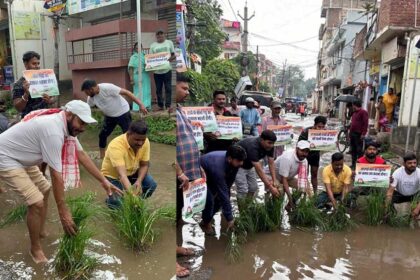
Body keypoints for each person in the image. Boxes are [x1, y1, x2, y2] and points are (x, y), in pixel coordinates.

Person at [0, 100, 122, 264]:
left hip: (23, 157)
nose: (83, 128)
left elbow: (82, 156)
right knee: (36, 202)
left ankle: (40, 231)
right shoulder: (53, 131)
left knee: (45, 188)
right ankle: (35, 249)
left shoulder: (67, 127)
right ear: (70, 115)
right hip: (6, 156)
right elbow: (56, 175)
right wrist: (63, 212)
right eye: (81, 122)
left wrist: (104, 181)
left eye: (86, 124)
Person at [175, 74, 202, 278]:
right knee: (172, 215)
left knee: (181, 213)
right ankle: (172, 262)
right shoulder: (169, 111)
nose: (187, 92)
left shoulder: (179, 109)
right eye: (184, 88)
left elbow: (189, 138)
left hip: (189, 172)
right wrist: (179, 172)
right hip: (179, 175)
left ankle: (176, 247)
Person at [81, 79, 147, 158]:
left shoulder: (107, 88)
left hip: (123, 113)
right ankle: (102, 156)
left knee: (128, 136)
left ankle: (132, 155)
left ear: (91, 89)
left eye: (86, 92)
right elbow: (87, 109)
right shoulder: (91, 98)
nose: (86, 94)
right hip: (110, 116)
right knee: (102, 135)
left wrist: (141, 104)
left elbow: (127, 92)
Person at [101, 120, 157, 208]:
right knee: (118, 204)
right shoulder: (116, 145)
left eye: (143, 140)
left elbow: (144, 165)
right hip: (114, 176)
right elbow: (122, 175)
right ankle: (110, 201)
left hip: (132, 172)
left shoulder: (145, 142)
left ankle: (135, 204)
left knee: (151, 185)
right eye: (137, 139)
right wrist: (132, 194)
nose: (140, 143)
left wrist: (139, 181)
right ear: (128, 134)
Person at [199, 145, 247, 235]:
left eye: (242, 160)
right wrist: (230, 218)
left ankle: (206, 219)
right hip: (201, 175)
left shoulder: (235, 164)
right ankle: (206, 224)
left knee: (220, 199)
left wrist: (226, 194)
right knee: (209, 201)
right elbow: (223, 192)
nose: (242, 163)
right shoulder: (219, 168)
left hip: (212, 174)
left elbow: (229, 182)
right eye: (239, 161)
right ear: (229, 159)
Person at [235, 130, 280, 199]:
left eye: (273, 143)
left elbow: (271, 163)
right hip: (237, 165)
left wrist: (274, 180)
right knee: (243, 190)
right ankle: (242, 209)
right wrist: (270, 187)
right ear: (262, 140)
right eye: (269, 143)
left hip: (249, 165)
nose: (271, 145)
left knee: (253, 188)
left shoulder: (270, 146)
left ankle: (248, 205)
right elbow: (259, 170)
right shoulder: (253, 146)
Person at [268, 140, 312, 209]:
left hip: (287, 177)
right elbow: (284, 179)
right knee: (280, 192)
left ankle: (289, 206)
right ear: (297, 149)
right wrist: (290, 198)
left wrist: (308, 199)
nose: (304, 154)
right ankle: (274, 210)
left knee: (304, 187)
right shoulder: (288, 158)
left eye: (306, 151)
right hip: (272, 175)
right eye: (302, 151)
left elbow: (304, 180)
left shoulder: (304, 161)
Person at [12, 51, 55, 118]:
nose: (37, 66)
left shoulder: (44, 79)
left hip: (45, 117)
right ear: (26, 64)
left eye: (38, 63)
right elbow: (18, 108)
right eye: (34, 63)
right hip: (29, 121)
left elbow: (53, 99)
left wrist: (49, 100)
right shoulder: (19, 84)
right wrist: (26, 94)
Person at [298, 115, 328, 192]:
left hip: (315, 155)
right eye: (319, 127)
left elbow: (329, 143)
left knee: (314, 174)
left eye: (322, 127)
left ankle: (314, 194)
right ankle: (304, 193)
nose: (321, 129)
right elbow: (299, 144)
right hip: (305, 155)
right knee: (304, 174)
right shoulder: (305, 131)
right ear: (314, 125)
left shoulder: (325, 133)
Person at [386, 153, 420, 219]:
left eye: (414, 163)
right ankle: (391, 218)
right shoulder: (397, 173)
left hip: (415, 195)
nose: (413, 165)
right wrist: (386, 208)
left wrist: (417, 209)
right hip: (399, 194)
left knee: (417, 212)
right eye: (409, 163)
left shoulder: (419, 173)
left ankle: (414, 220)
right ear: (404, 164)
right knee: (387, 203)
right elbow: (390, 191)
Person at [150, 29, 176, 110]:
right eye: (158, 35)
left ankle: (168, 105)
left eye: (161, 34)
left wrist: (169, 60)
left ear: (164, 35)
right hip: (157, 72)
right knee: (158, 89)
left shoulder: (169, 43)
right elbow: (150, 58)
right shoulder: (153, 45)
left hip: (167, 70)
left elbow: (174, 55)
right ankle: (160, 105)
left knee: (168, 88)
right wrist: (151, 66)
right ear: (156, 36)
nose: (160, 36)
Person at [128, 42, 152, 111]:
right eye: (136, 47)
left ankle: (147, 106)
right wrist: (131, 78)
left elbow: (150, 65)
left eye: (139, 47)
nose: (138, 48)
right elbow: (130, 68)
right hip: (136, 76)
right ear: (135, 48)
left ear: (142, 48)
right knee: (138, 91)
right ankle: (137, 107)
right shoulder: (133, 57)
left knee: (146, 91)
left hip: (145, 76)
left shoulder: (145, 56)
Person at [349, 99, 368, 168]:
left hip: (359, 134)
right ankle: (353, 164)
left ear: (355, 105)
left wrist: (363, 134)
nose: (352, 107)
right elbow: (352, 124)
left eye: (353, 105)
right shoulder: (354, 113)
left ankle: (359, 164)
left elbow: (365, 124)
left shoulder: (363, 112)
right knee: (353, 150)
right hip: (352, 134)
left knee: (359, 151)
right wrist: (350, 134)